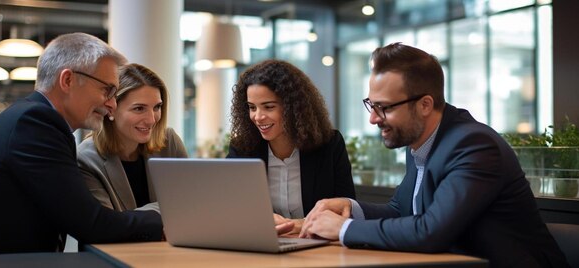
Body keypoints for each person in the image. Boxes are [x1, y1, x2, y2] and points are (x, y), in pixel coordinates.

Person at [299, 43, 569, 267]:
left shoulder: (474, 146)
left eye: (384, 108)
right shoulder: (419, 141)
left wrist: (344, 229)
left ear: (425, 104)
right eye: (371, 104)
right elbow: (401, 211)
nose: (373, 119)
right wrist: (350, 208)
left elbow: (431, 232)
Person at [0, 33, 162, 266]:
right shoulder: (35, 123)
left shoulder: (34, 119)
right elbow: (92, 224)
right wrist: (164, 218)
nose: (112, 104)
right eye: (107, 91)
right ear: (68, 80)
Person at [227, 59, 356, 234]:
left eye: (268, 107)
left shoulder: (329, 145)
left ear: (293, 107)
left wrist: (298, 225)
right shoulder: (242, 149)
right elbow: (231, 209)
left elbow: (346, 210)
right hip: (263, 246)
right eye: (252, 107)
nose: (258, 117)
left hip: (319, 248)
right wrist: (259, 219)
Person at [77, 63, 188, 212]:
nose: (152, 120)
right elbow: (108, 226)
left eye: (157, 107)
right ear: (111, 109)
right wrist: (165, 207)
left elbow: (190, 204)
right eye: (139, 108)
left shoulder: (169, 142)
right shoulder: (86, 159)